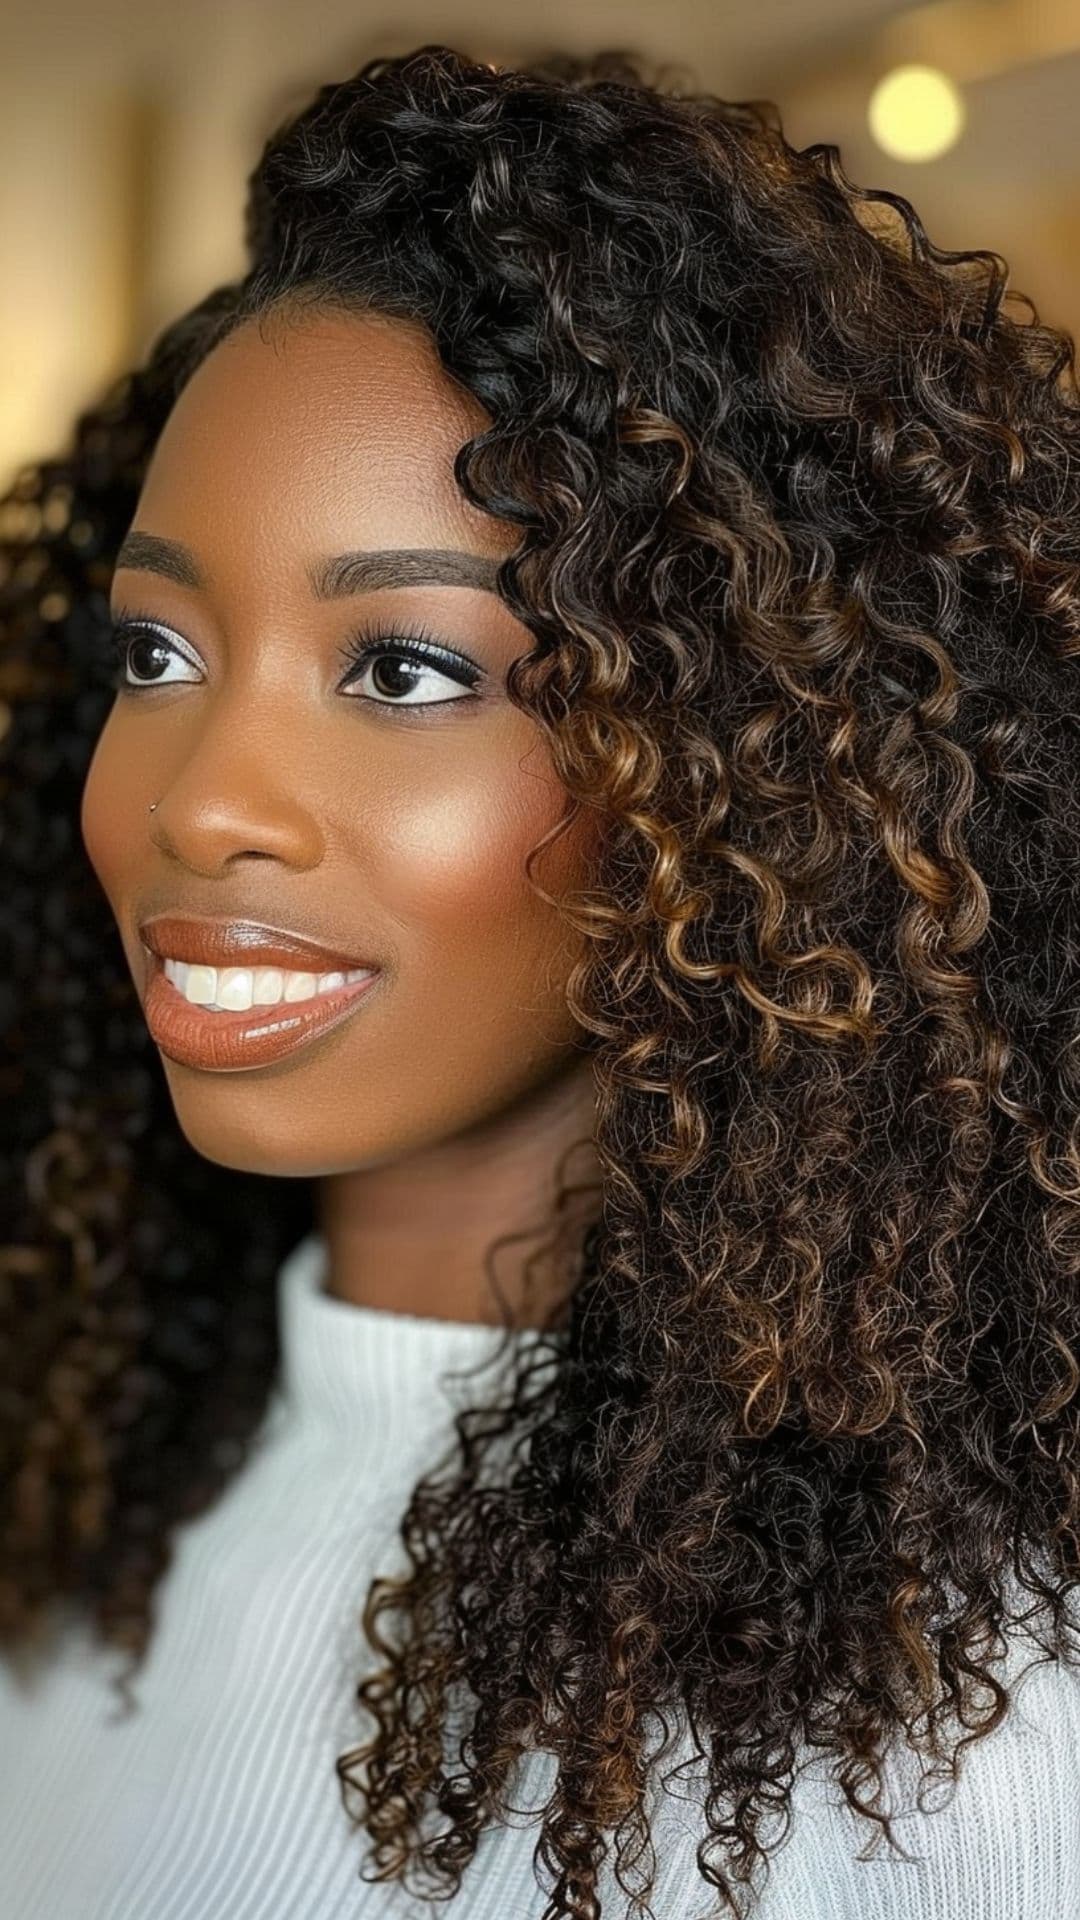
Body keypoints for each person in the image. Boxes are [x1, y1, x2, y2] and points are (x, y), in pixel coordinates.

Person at [1, 40, 1079, 1920]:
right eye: (157, 656)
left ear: (751, 774)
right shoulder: (82, 1494)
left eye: (402, 669)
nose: (204, 806)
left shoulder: (951, 1744)